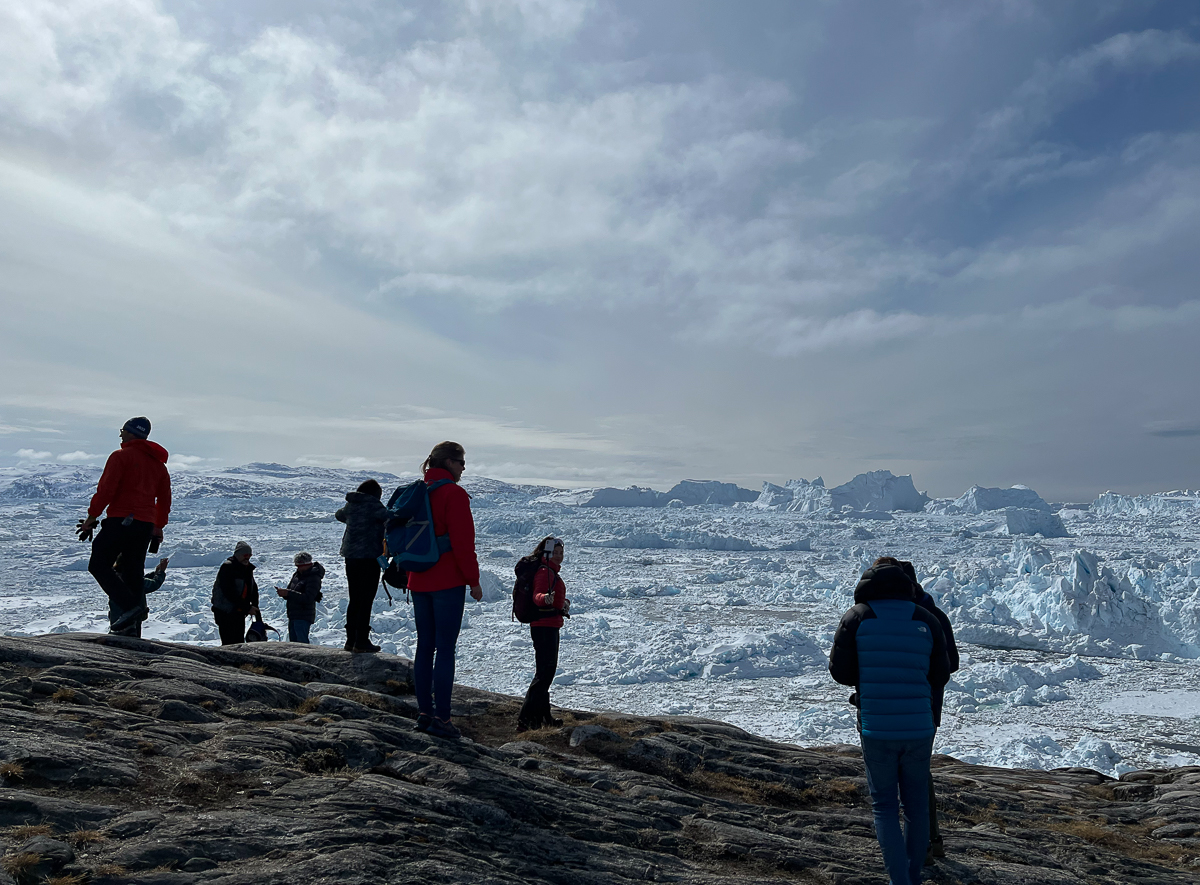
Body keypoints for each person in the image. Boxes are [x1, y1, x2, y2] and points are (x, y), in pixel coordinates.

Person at [829, 556, 952, 885]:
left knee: (884, 806)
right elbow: (941, 671)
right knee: (916, 806)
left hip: (876, 725)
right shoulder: (926, 618)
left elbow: (840, 672)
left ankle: (900, 881)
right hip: (919, 725)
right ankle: (913, 875)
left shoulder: (857, 617)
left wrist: (870, 680)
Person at [405, 441, 482, 740]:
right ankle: (443, 719)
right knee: (445, 648)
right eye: (462, 462)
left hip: (418, 579)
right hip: (446, 580)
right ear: (449, 462)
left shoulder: (417, 491)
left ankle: (424, 715)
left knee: (425, 646)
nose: (464, 468)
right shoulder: (454, 493)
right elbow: (463, 544)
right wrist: (473, 581)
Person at [79, 417, 172, 636]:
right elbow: (164, 500)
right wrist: (158, 526)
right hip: (144, 525)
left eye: (122, 430)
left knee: (99, 564)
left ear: (131, 433)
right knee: (133, 571)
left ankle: (131, 608)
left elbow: (106, 490)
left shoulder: (120, 457)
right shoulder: (159, 466)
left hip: (121, 520)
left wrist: (91, 517)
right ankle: (132, 624)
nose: (120, 435)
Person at [899, 560, 960, 864]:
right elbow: (951, 664)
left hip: (909, 706)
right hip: (927, 708)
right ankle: (929, 840)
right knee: (919, 774)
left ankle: (919, 843)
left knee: (906, 776)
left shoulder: (917, 615)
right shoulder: (935, 615)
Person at [516, 536, 570, 732]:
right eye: (555, 553)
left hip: (549, 625)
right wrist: (545, 599)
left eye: (561, 553)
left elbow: (550, 597)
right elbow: (538, 596)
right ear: (546, 553)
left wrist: (562, 604)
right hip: (544, 627)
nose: (559, 556)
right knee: (544, 674)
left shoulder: (551, 572)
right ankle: (525, 719)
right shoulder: (543, 572)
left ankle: (543, 716)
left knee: (546, 673)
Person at [335, 479, 389, 653]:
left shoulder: (351, 507)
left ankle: (350, 640)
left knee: (355, 598)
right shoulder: (374, 506)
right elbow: (390, 517)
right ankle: (362, 641)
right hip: (368, 558)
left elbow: (339, 515)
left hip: (350, 557)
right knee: (366, 599)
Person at [107, 556, 170, 638]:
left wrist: (155, 573)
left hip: (115, 618)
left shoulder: (116, 577)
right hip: (132, 620)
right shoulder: (132, 579)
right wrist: (161, 572)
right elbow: (153, 584)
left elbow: (142, 581)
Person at [211, 542, 260, 645]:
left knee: (239, 643)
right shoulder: (228, 568)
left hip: (239, 612)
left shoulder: (246, 569)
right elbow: (229, 592)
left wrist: (254, 607)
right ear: (237, 555)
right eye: (245, 555)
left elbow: (252, 588)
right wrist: (247, 608)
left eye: (250, 555)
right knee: (229, 643)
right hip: (226, 613)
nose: (247, 558)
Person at [276, 552, 325, 644]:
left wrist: (288, 593)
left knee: (302, 645)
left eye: (300, 566)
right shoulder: (297, 575)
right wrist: (285, 594)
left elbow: (308, 598)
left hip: (303, 616)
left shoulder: (313, 577)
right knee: (294, 644)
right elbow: (292, 590)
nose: (298, 568)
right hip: (293, 615)